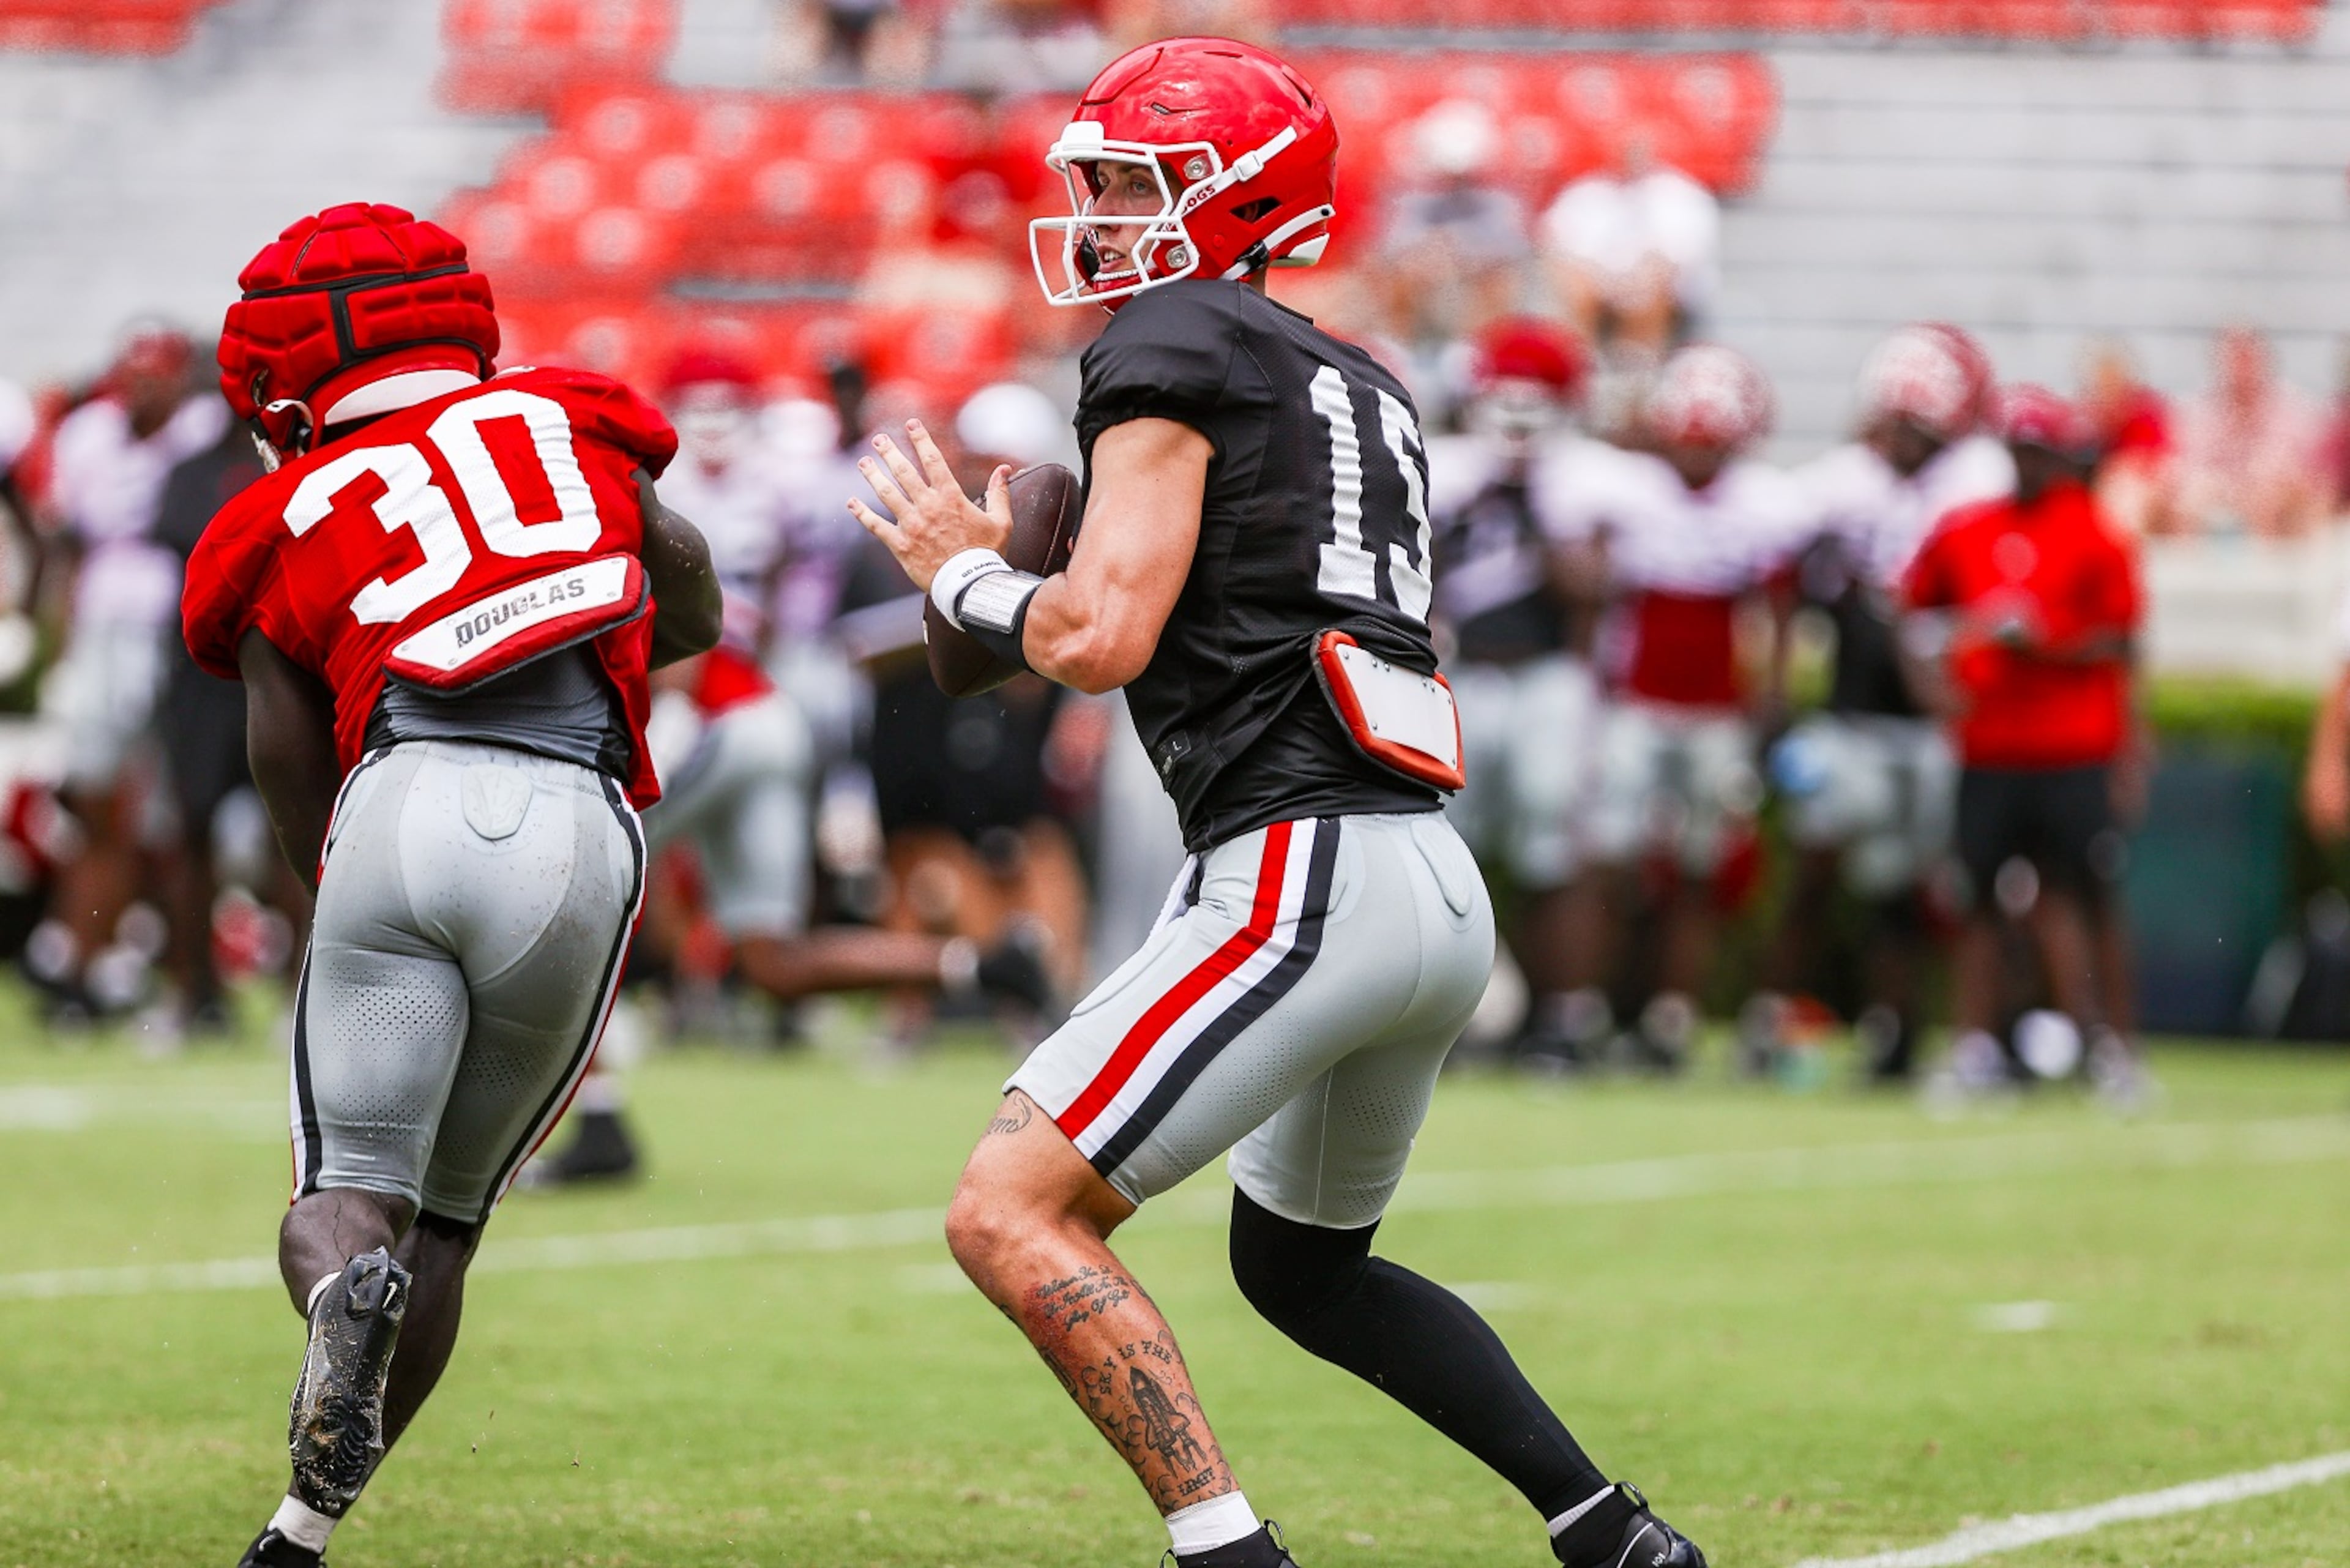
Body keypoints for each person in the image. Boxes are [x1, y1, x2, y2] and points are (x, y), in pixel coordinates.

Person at [848, 37, 1704, 1568]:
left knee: (1006, 1211)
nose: (1100, 214)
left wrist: (962, 574)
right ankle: (1609, 1533)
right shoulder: (1359, 376)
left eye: (1131, 183)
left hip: (1300, 873)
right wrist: (998, 602)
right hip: (1420, 883)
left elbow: (1099, 640)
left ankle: (1230, 1555)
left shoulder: (1171, 340)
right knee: (1303, 1272)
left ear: (1229, 198)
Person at [179, 202, 724, 1567]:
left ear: (284, 377)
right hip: (579, 815)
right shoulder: (573, 420)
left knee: (350, 1198)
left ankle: (335, 1305)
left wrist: (335, 906)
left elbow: (288, 759)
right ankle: (297, 1537)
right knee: (453, 1224)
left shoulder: (280, 507)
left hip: (401, 795)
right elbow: (696, 609)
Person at [1536, 344, 1806, 1070]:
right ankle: (1580, 1011)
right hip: (1633, 704)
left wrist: (1771, 696)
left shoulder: (1761, 502)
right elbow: (1585, 576)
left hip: (1717, 712)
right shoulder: (1624, 489)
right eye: (1687, 441)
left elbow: (1776, 607)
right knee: (1609, 864)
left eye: (1711, 444)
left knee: (1701, 874)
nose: (1696, 458)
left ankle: (1670, 1017)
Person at [1753, 324, 2010, 1081]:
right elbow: (1775, 577)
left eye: (1921, 426)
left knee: (1932, 889)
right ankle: (1770, 1024)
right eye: (1894, 422)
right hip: (1851, 720)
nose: (1904, 440)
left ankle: (1919, 1035)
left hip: (1940, 726)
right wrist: (1772, 684)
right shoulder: (1837, 486)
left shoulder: (1980, 486)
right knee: (1815, 872)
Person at [1903, 385, 2147, 1104]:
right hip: (1991, 744)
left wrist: (2050, 642)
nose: (2029, 464)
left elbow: (2123, 640)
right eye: (2020, 450)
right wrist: (1936, 690)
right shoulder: (1966, 527)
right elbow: (1913, 616)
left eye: (2040, 451)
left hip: (2072, 744)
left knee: (2088, 895)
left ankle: (2111, 1050)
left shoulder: (2096, 532)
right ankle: (1975, 1047)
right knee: (1976, 899)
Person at [32, 323, 227, 1016]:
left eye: (158, 374)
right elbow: (68, 543)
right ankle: (98, 951)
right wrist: (58, 636)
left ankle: (181, 973)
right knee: (94, 801)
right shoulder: (90, 434)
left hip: (179, 628)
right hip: (104, 623)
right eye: (134, 374)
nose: (144, 388)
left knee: (177, 813)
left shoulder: (205, 430)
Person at [1425, 316, 1606, 1060]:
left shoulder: (1589, 478)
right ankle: (1453, 1014)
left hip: (1547, 678)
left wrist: (1531, 515)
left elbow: (1593, 590)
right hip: (1462, 674)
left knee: (1551, 851)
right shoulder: (1442, 469)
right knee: (1445, 850)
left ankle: (1560, 1018)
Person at [2163, 325, 2329, 539]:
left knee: (2274, 492)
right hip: (2215, 495)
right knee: (2190, 498)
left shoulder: (2292, 407)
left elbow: (2305, 468)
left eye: (2247, 359)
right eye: (2234, 359)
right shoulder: (2199, 409)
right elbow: (2188, 465)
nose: (2241, 369)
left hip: (2273, 501)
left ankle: (2270, 566)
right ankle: (2189, 566)